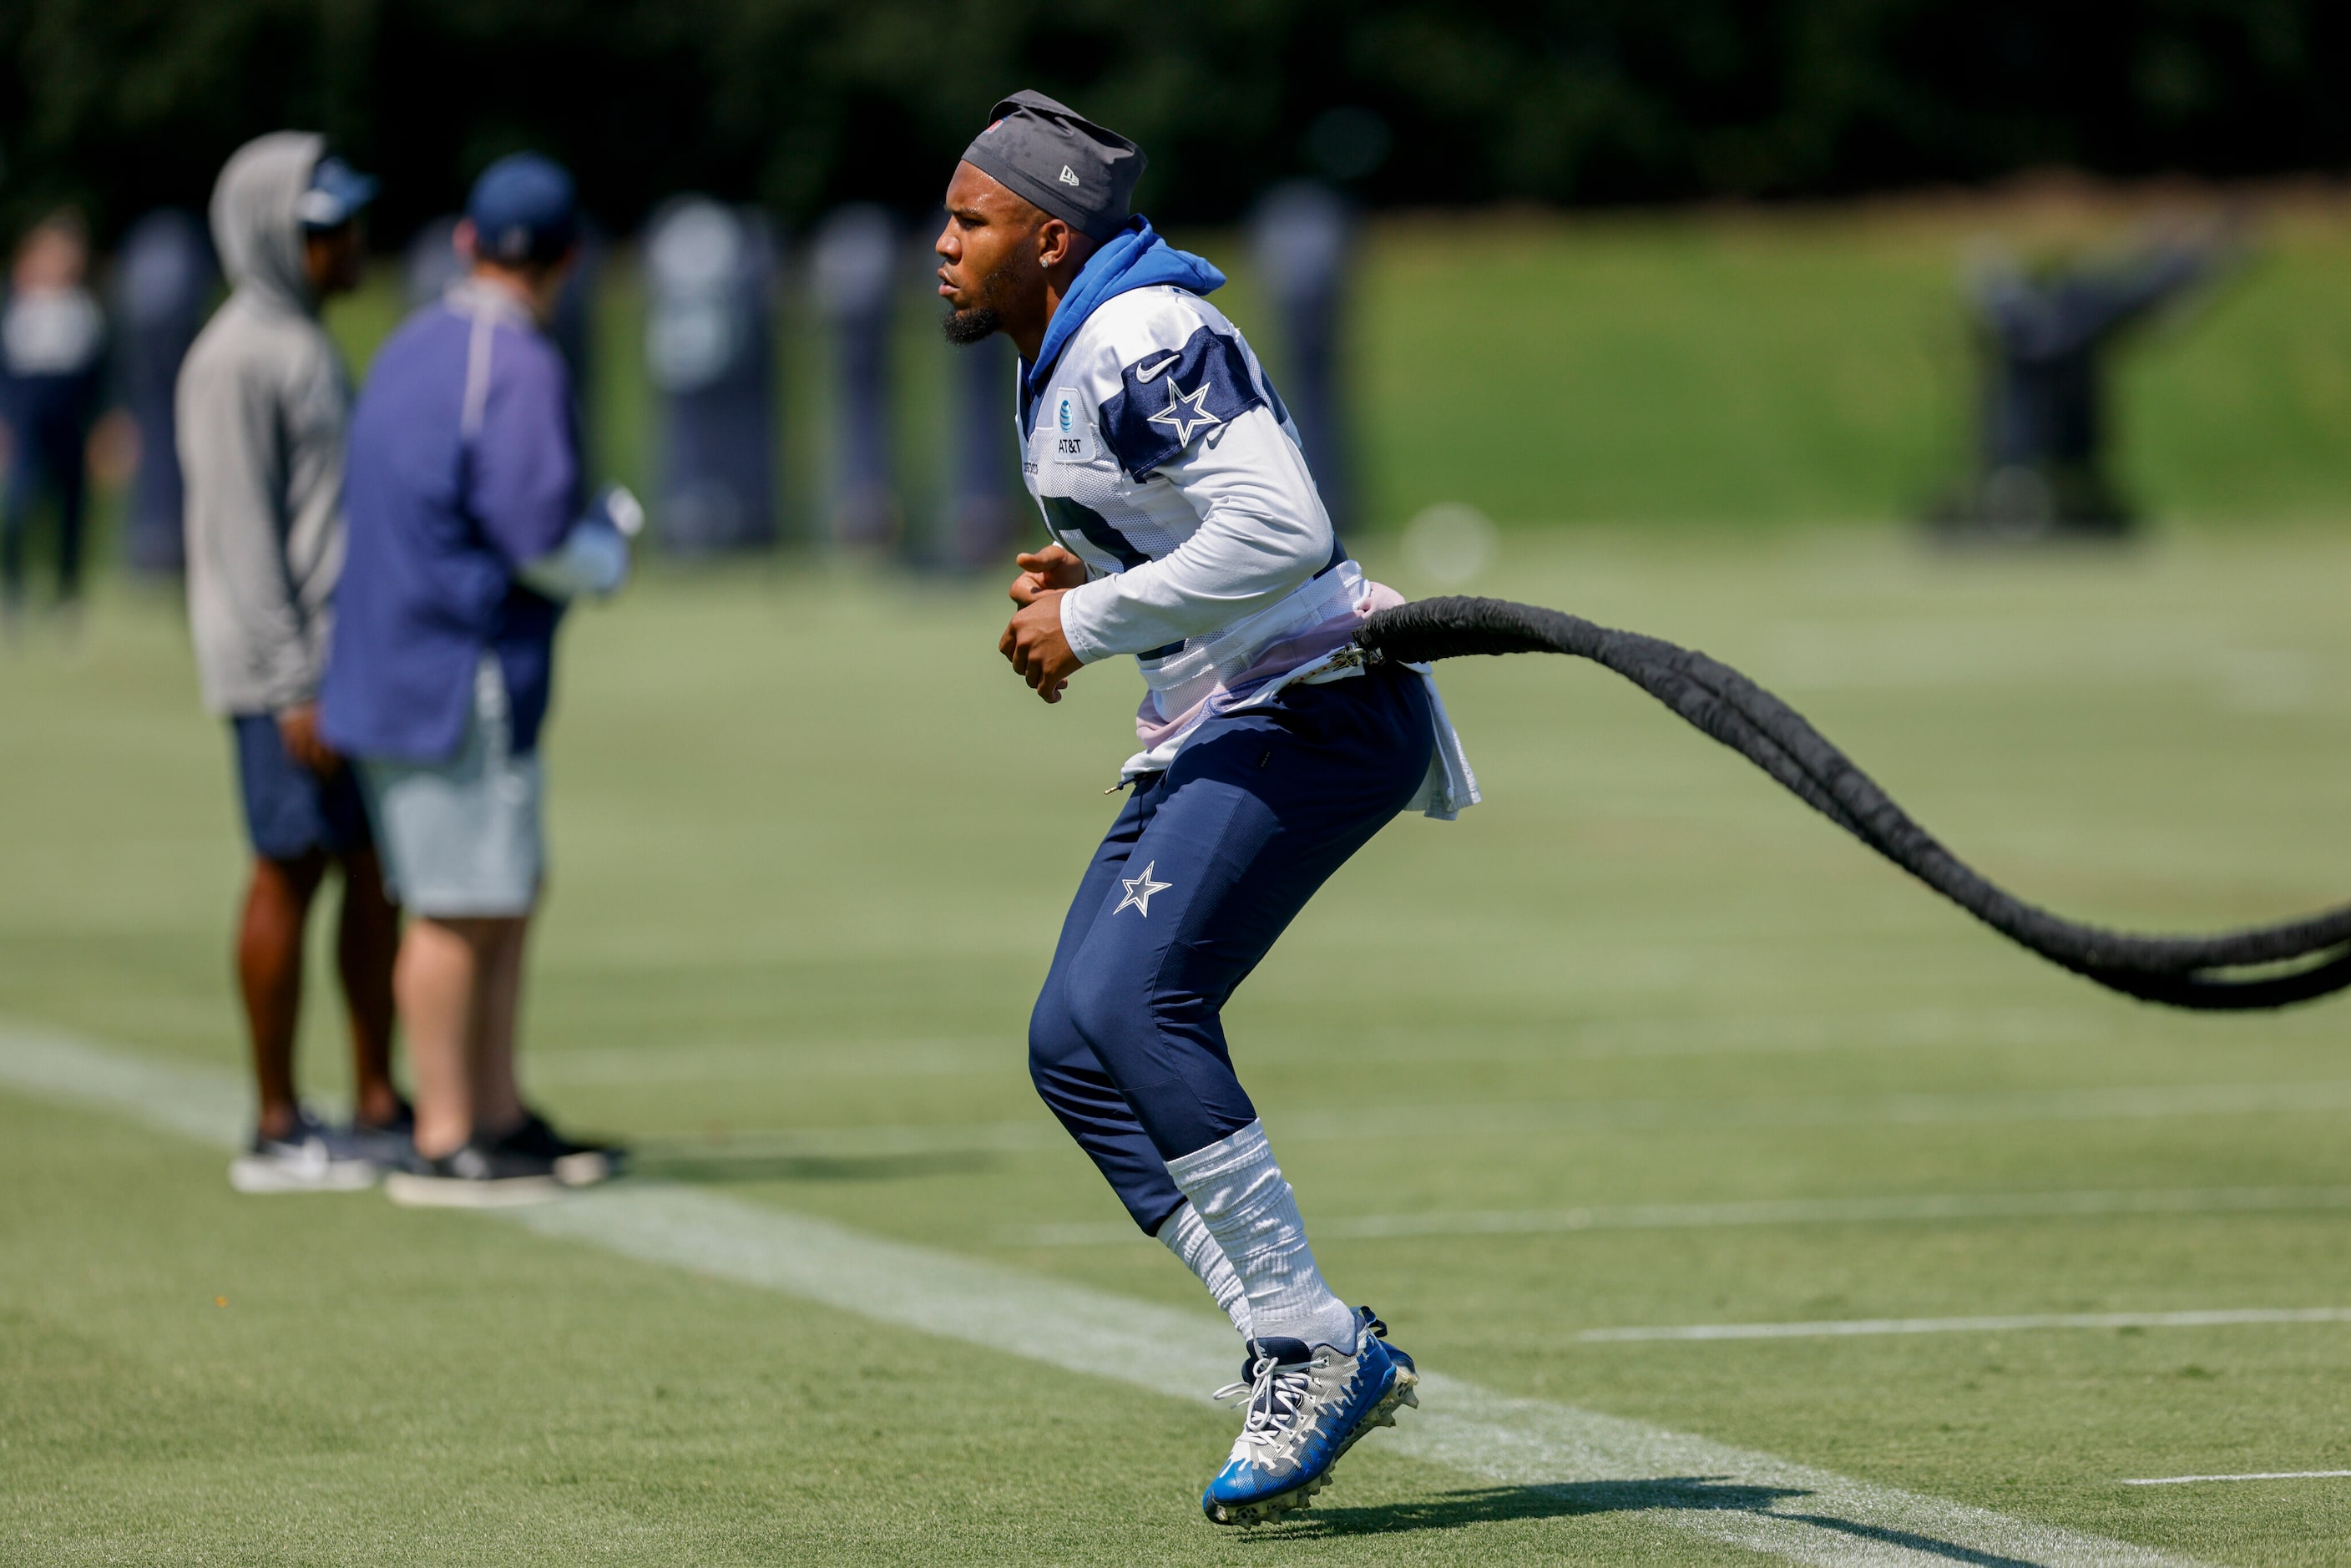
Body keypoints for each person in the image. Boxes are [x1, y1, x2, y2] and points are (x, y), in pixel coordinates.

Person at [934, 91, 1478, 1526]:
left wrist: (1094, 615)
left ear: (1050, 238)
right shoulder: (1067, 331)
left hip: (1317, 700)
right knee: (1071, 1045)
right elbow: (1186, 506)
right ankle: (1315, 1338)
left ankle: (1306, 1343)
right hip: (1232, 706)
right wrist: (1087, 562)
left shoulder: (1138, 333)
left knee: (1133, 1004)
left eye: (969, 221)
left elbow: (1286, 526)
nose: (942, 245)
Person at [320, 154, 634, 1207]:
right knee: (457, 906)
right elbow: (533, 529)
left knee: (497, 888)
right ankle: (451, 1133)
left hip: (398, 660)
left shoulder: (413, 343)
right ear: (567, 262)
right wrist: (608, 554)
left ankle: (493, 1112)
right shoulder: (515, 358)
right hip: (456, 667)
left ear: (464, 243)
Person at [177, 133, 406, 1192]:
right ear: (275, 237)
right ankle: (274, 1120)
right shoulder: (237, 357)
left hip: (339, 660)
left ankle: (374, 1099)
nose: (348, 245)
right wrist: (289, 684)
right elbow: (240, 537)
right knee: (289, 867)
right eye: (325, 230)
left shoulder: (304, 340)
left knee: (371, 875)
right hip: (287, 675)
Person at [0, 210, 105, 625]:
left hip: (70, 424)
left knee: (71, 513)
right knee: (19, 506)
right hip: (27, 423)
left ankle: (67, 594)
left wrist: (104, 424)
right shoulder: (18, 306)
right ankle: (13, 589)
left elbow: (99, 376)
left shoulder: (85, 310)